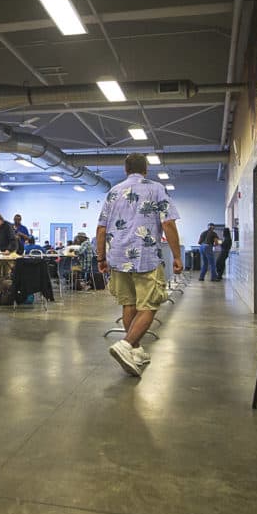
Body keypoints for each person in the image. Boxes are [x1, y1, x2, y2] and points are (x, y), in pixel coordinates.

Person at [97, 152, 182, 377]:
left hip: (117, 257)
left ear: (126, 170)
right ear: (146, 169)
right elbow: (168, 224)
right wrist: (177, 256)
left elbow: (101, 229)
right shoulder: (155, 189)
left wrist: (100, 258)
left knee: (129, 304)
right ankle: (125, 345)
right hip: (146, 257)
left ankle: (135, 351)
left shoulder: (113, 192)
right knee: (150, 305)